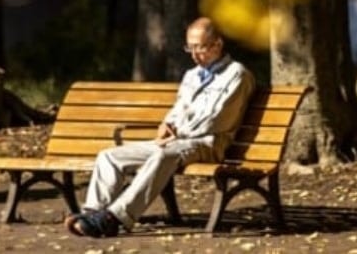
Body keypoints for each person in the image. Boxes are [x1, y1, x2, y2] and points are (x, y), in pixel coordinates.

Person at [65, 17, 255, 237]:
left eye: (200, 48)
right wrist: (167, 123)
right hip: (176, 142)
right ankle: (93, 213)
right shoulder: (191, 75)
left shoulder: (237, 75)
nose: (194, 55)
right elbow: (178, 109)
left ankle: (113, 218)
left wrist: (177, 130)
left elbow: (213, 120)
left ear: (218, 44)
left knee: (163, 154)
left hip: (208, 143)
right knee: (110, 156)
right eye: (189, 47)